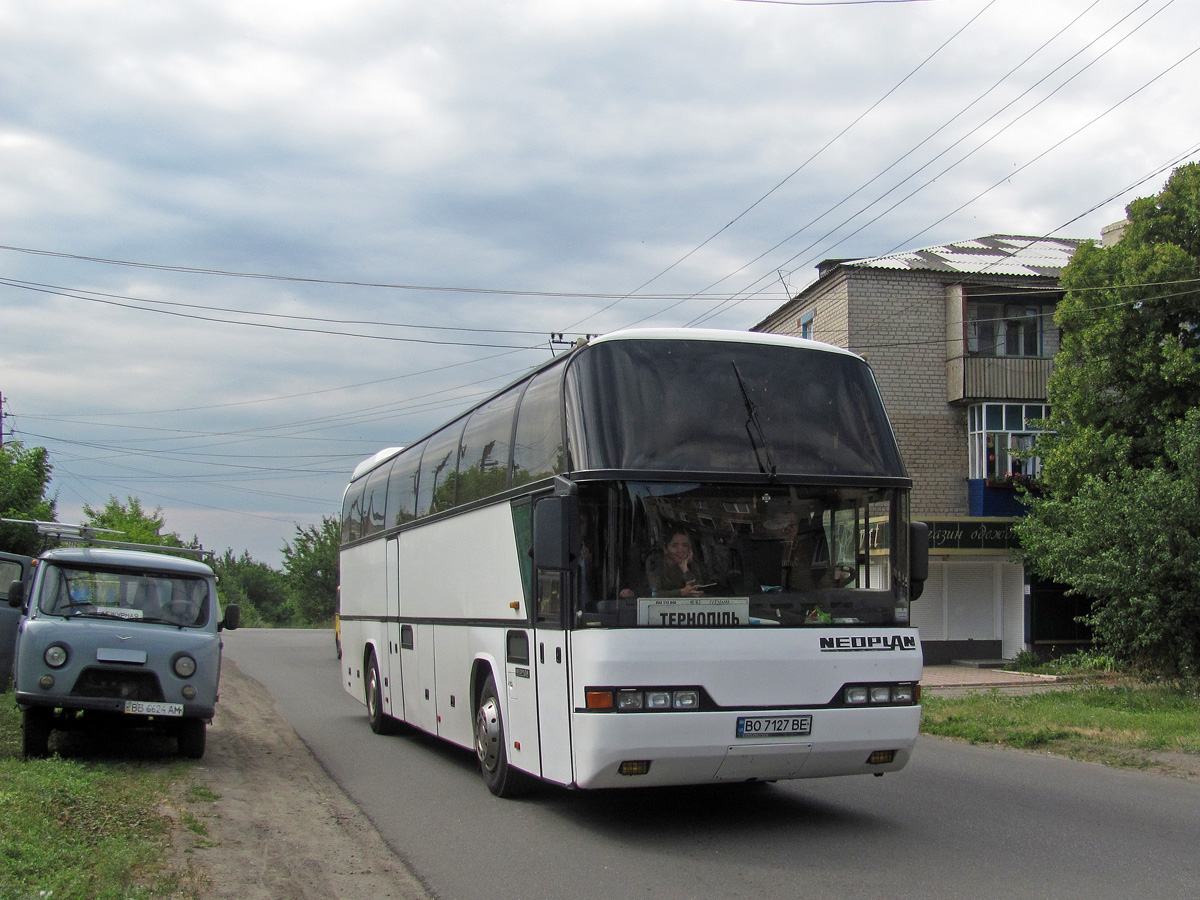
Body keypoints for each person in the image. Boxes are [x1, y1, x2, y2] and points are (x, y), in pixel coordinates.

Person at [646, 529, 709, 597]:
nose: (680, 550)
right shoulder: (654, 561)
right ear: (665, 548)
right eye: (674, 546)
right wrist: (681, 592)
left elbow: (699, 591)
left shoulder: (690, 563)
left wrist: (685, 570)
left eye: (685, 545)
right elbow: (655, 594)